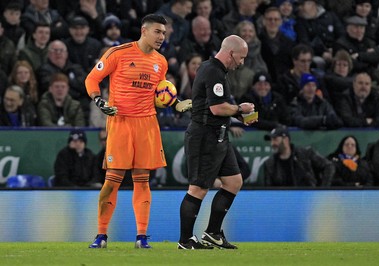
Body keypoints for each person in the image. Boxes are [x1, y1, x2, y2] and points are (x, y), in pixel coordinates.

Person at [85, 14, 170, 249]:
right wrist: (99, 101)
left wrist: (174, 102)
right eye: (157, 31)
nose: (162, 37)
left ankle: (142, 237)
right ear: (144, 31)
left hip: (147, 124)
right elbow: (92, 79)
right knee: (112, 180)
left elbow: (160, 93)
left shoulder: (161, 62)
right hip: (120, 122)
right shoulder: (118, 53)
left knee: (143, 180)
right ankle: (101, 234)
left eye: (164, 33)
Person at [177, 35, 256, 250]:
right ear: (231, 53)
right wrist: (240, 109)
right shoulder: (213, 71)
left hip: (219, 135)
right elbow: (217, 108)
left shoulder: (217, 71)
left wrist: (239, 116)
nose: (242, 62)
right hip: (205, 137)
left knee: (234, 182)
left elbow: (219, 106)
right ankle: (185, 241)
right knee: (198, 189)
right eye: (241, 57)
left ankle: (212, 232)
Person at [263, 125, 335, 187]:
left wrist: (323, 190)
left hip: (308, 198)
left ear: (286, 140)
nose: (272, 143)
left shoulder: (305, 154)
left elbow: (329, 166)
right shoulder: (270, 164)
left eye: (275, 140)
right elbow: (269, 189)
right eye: (271, 140)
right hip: (283, 200)